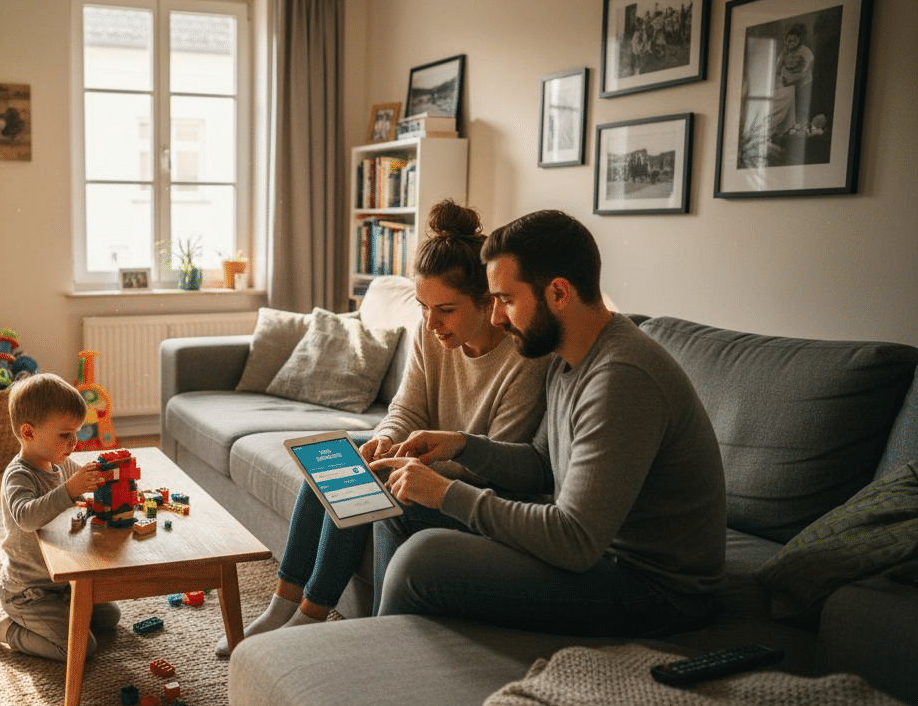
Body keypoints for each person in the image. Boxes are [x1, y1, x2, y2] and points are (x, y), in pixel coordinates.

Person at [215, 201, 550, 657]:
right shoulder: (431, 337)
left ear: (488, 301)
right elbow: (406, 407)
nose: (432, 323)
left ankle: (312, 614)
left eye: (446, 310)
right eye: (424, 308)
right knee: (337, 456)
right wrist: (387, 440)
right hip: (421, 459)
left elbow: (496, 463)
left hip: (472, 490)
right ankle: (283, 603)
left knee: (366, 479)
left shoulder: (523, 360)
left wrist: (409, 460)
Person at [371, 209, 725, 637]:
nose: (497, 318)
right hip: (599, 556)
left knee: (421, 560)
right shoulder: (563, 356)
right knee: (398, 505)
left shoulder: (622, 378)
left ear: (558, 292)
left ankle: (379, 668)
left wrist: (446, 492)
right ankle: (379, 646)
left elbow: (574, 539)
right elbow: (541, 463)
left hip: (654, 588)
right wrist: (461, 445)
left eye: (505, 299)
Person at [0, 373, 121, 660]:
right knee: (81, 647)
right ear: (28, 433)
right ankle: (11, 632)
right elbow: (27, 517)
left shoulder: (60, 464)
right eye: (65, 435)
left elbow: (82, 479)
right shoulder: (19, 475)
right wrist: (70, 490)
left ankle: (61, 615)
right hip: (29, 593)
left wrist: (104, 476)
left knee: (109, 617)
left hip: (64, 586)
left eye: (76, 433)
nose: (74, 442)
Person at [776, 22, 814, 133]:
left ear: (799, 40)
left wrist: (791, 82)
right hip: (787, 84)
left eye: (794, 40)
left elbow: (805, 72)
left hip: (802, 84)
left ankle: (797, 129)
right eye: (789, 41)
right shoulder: (784, 52)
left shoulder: (805, 52)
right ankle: (784, 128)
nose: (791, 43)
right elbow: (777, 69)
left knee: (801, 110)